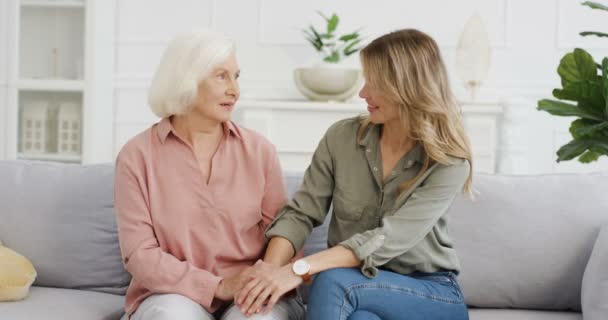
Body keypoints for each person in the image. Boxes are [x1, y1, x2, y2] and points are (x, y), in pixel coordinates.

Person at [235, 29, 473, 320]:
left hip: (428, 293)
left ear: (407, 87)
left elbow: (388, 238)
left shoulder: (448, 162)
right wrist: (270, 274)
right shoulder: (342, 138)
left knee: (332, 280)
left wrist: (298, 269)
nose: (363, 92)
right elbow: (301, 213)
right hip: (358, 285)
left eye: (375, 83)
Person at [114, 30, 304, 320]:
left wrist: (262, 279)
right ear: (186, 80)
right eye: (221, 76)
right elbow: (140, 255)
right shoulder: (137, 156)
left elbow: (284, 232)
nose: (234, 90)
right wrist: (217, 286)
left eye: (236, 77)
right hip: (172, 294)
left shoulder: (259, 151)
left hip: (251, 291)